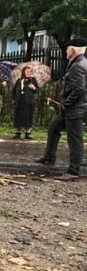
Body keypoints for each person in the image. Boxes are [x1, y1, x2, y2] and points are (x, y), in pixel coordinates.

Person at [36, 37, 87, 179]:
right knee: (53, 127)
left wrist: (66, 103)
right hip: (69, 109)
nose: (65, 51)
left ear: (73, 49)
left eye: (67, 48)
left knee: (74, 139)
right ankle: (49, 157)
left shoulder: (79, 65)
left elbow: (79, 90)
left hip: (75, 109)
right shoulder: (77, 63)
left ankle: (73, 171)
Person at [13, 66, 38, 139]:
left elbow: (37, 90)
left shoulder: (33, 80)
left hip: (29, 101)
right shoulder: (19, 80)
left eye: (30, 71)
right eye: (27, 71)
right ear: (23, 72)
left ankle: (28, 133)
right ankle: (18, 132)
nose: (28, 73)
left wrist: (34, 88)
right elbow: (14, 91)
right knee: (18, 116)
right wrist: (14, 99)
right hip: (20, 100)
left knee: (28, 116)